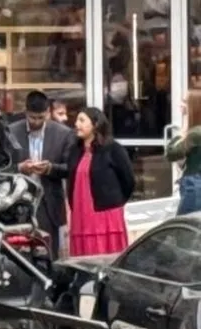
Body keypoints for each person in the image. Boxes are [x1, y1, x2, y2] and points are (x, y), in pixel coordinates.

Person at [9, 90, 76, 253]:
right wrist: (20, 168)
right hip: (17, 203)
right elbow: (0, 167)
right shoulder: (11, 131)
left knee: (49, 253)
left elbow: (70, 168)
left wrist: (50, 168)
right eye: (32, 117)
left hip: (49, 203)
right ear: (26, 113)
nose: (37, 122)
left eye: (41, 118)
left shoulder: (63, 133)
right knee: (18, 254)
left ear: (48, 112)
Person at [65, 107, 135, 256]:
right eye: (77, 120)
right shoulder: (75, 150)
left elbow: (128, 180)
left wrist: (116, 201)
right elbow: (69, 174)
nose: (77, 124)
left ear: (95, 124)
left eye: (82, 120)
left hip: (105, 214)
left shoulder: (113, 149)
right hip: (80, 214)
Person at [168, 94, 201, 216]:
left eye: (185, 102)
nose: (180, 105)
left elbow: (171, 153)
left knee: (185, 224)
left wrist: (182, 132)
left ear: (193, 106)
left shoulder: (195, 133)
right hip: (195, 182)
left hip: (194, 185)